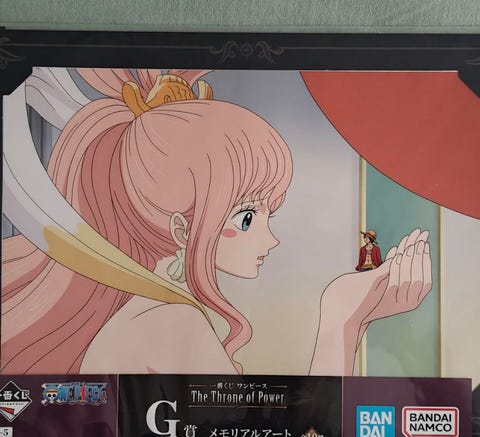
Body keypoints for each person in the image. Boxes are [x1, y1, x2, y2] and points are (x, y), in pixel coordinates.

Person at [1, 69, 432, 377]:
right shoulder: (171, 321)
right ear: (181, 230)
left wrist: (357, 318)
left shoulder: (147, 312)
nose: (271, 238)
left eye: (268, 214)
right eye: (247, 217)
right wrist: (341, 317)